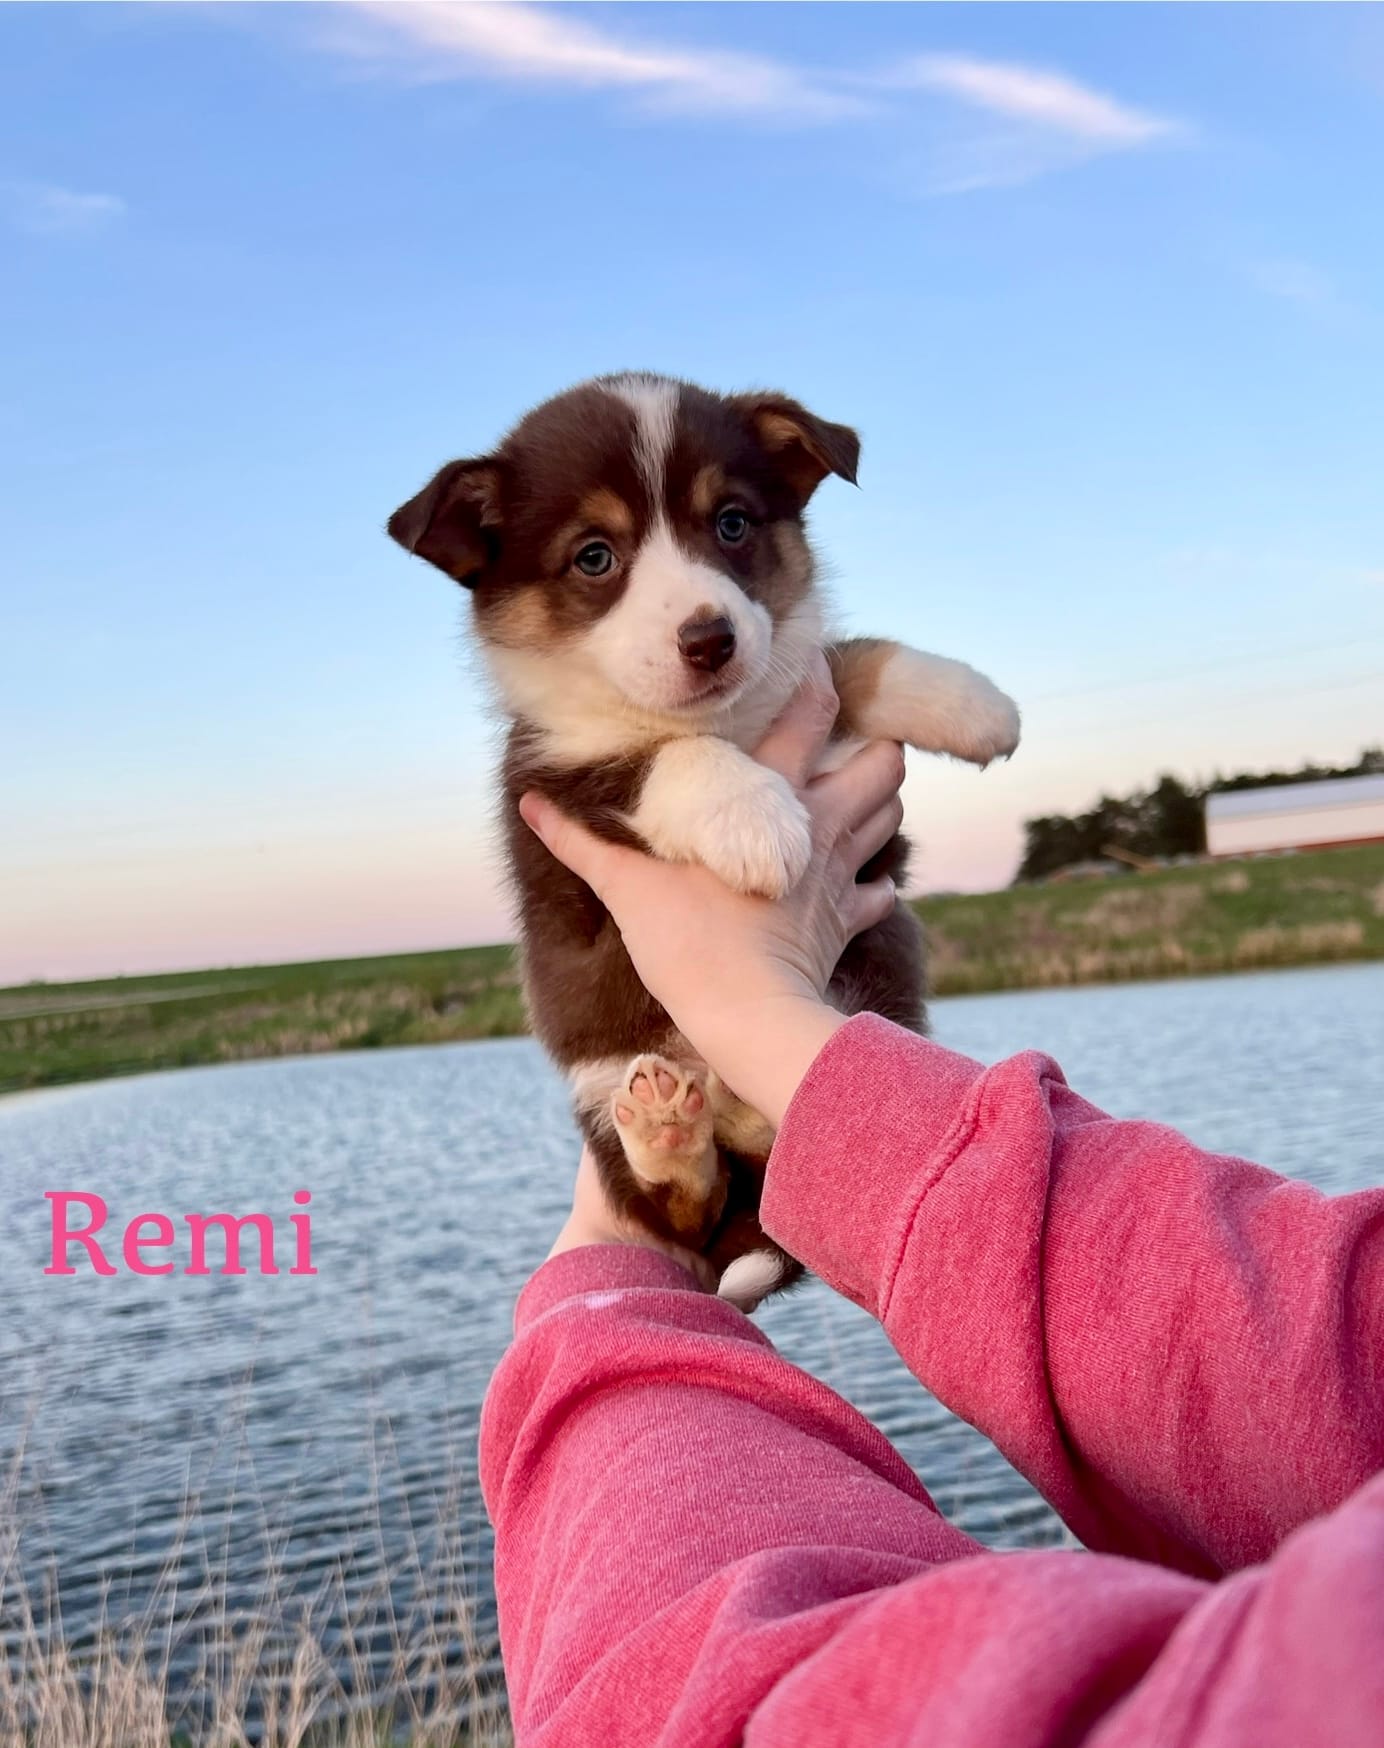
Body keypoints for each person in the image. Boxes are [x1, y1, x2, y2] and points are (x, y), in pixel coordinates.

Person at [479, 659, 1384, 1747]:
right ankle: (713, 1185)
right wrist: (768, 1026)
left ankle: (708, 1194)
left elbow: (724, 1706)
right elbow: (1335, 1370)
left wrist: (611, 1287)